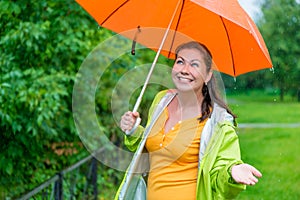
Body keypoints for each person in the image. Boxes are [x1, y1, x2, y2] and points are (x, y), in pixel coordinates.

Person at [115, 41, 262, 200]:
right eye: (180, 62)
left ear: (208, 75)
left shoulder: (217, 122)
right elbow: (151, 147)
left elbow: (216, 176)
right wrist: (133, 130)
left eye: (194, 65)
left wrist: (231, 172)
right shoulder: (162, 100)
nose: (185, 70)